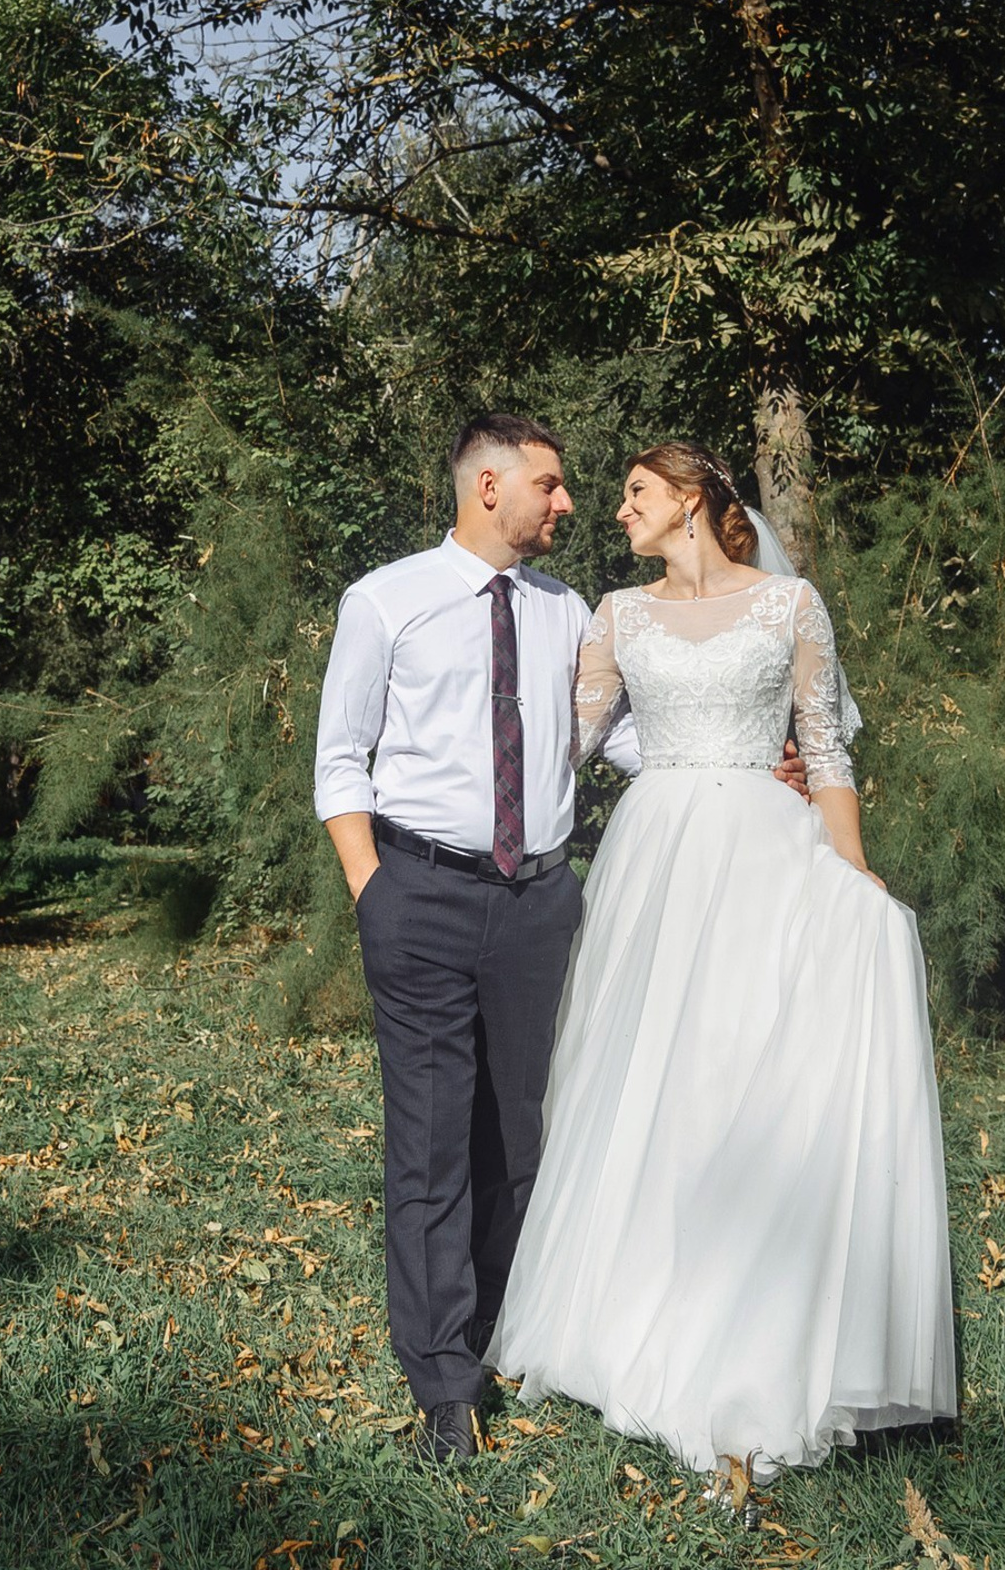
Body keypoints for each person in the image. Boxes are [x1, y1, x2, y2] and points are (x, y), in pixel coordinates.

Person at [489, 441, 957, 1483]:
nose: (617, 510)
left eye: (636, 494)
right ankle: (613, 1316)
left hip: (759, 844)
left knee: (736, 1069)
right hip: (652, 859)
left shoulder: (790, 608)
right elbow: (567, 743)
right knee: (642, 1074)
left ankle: (742, 1310)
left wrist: (855, 873)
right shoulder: (617, 614)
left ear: (691, 502)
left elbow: (825, 748)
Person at [313, 414, 629, 1465]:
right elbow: (338, 764)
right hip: (422, 896)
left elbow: (616, 733)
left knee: (526, 1137)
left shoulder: (566, 608)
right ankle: (444, 1385)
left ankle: (512, 1333)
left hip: (541, 902)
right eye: (552, 483)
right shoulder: (385, 600)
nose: (568, 502)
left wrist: (738, 756)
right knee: (434, 1142)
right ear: (487, 486)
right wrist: (375, 894)